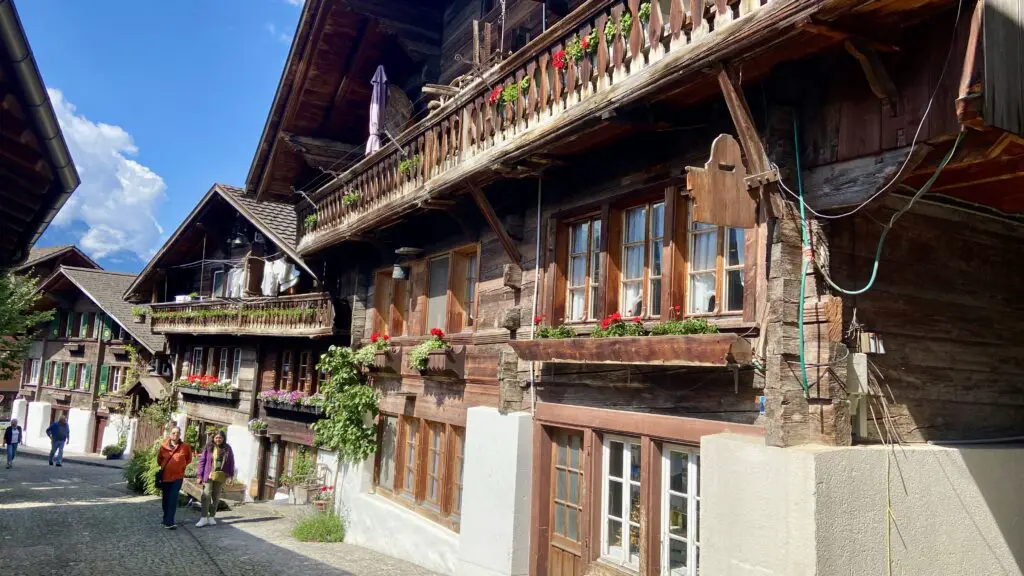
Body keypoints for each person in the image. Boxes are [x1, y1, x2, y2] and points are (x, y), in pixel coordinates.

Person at [195, 429, 235, 527]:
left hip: (221, 475)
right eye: (216, 438)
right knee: (206, 495)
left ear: (223, 438)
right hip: (209, 474)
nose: (218, 440)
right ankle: (204, 517)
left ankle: (212, 517)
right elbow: (202, 461)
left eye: (220, 438)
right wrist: (199, 475)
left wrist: (230, 475)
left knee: (216, 496)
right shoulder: (208, 447)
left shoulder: (227, 448)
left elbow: (231, 462)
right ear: (213, 438)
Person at [156, 426, 193, 529]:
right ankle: (165, 518)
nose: (175, 435)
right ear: (170, 434)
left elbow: (189, 459)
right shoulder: (163, 446)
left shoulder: (185, 447)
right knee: (165, 499)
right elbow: (159, 460)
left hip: (177, 477)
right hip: (165, 476)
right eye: (173, 433)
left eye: (177, 433)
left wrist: (180, 467)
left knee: (173, 498)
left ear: (180, 435)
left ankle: (170, 522)